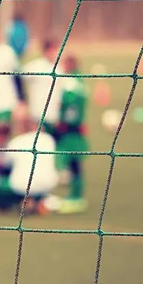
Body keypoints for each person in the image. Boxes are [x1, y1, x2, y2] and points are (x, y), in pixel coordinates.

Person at [2, 105, 59, 215]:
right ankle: (39, 200)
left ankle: (26, 201)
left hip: (20, 186)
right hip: (48, 183)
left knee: (3, 184)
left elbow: (6, 164)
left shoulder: (16, 142)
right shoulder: (48, 139)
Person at [55, 54, 89, 214]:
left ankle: (76, 197)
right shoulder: (79, 81)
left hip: (71, 131)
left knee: (74, 164)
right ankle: (75, 195)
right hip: (75, 129)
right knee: (72, 163)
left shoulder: (71, 84)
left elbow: (71, 107)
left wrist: (64, 122)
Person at [23, 39, 65, 139]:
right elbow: (18, 79)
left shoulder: (60, 68)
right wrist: (22, 102)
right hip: (38, 115)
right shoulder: (34, 66)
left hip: (55, 116)